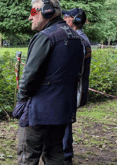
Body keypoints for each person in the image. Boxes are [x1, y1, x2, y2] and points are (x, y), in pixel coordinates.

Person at [13, 0, 85, 164]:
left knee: (27, 157)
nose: (30, 17)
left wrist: (21, 101)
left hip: (39, 112)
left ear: (46, 11)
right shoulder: (76, 38)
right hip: (62, 111)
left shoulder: (45, 37)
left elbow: (29, 77)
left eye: (33, 12)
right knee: (54, 154)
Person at [62, 8, 91, 165]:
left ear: (75, 20)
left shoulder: (78, 41)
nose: (64, 18)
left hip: (72, 88)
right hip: (74, 87)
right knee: (65, 121)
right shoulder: (80, 38)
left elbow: (72, 68)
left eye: (67, 16)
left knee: (65, 121)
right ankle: (66, 152)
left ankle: (66, 156)